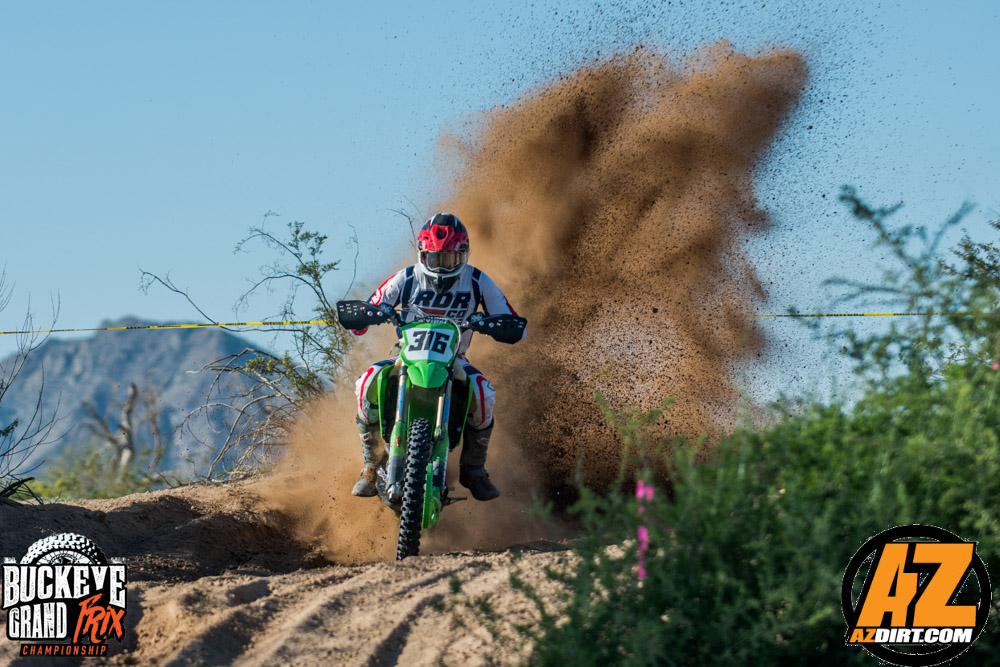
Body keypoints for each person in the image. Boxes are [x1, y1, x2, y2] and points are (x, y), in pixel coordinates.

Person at [351, 213, 525, 501]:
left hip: (455, 359)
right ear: (423, 254)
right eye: (435, 258)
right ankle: (371, 466)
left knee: (483, 393)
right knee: (365, 382)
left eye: (451, 259)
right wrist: (369, 314)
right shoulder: (406, 277)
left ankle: (474, 468)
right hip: (406, 357)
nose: (443, 265)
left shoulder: (478, 280)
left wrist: (494, 324)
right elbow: (369, 309)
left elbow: (514, 323)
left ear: (464, 255)